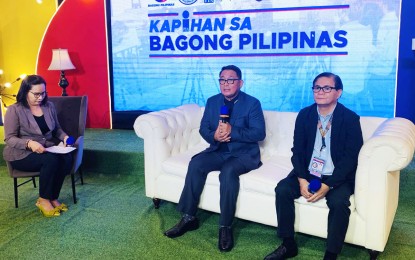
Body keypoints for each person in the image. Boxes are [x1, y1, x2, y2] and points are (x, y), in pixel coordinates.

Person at [164, 65, 266, 252]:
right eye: (222, 80)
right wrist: (215, 137)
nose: (226, 84)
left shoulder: (252, 103)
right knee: (196, 163)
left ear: (240, 83)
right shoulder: (212, 102)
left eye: (231, 80)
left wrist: (232, 131)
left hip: (243, 153)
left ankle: (225, 226)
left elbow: (259, 133)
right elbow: (204, 128)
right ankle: (188, 217)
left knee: (227, 172)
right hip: (218, 150)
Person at [264, 72, 363, 260]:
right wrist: (301, 179)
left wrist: (329, 185)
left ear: (338, 92)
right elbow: (298, 150)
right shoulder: (305, 115)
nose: (320, 91)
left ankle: (331, 254)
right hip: (309, 172)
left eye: (327, 88)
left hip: (337, 176)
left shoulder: (350, 119)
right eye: (317, 87)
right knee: (283, 189)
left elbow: (351, 159)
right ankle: (288, 244)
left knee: (339, 202)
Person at [3, 75, 73, 217]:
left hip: (45, 148)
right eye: (36, 94)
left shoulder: (49, 106)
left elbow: (56, 129)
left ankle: (53, 197)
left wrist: (65, 137)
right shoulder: (14, 110)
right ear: (25, 92)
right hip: (20, 154)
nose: (40, 97)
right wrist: (28, 143)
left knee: (66, 158)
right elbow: (9, 139)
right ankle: (43, 199)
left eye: (43, 93)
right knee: (51, 160)